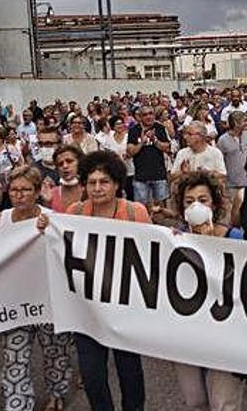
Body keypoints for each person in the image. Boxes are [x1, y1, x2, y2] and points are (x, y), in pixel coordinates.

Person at [66, 151, 149, 411]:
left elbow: (151, 255)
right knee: (92, 377)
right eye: (91, 182)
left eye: (104, 182)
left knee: (130, 371)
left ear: (116, 184)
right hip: (87, 310)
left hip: (126, 308)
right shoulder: (75, 212)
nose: (97, 188)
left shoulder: (136, 213)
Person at [0, 166, 73, 411]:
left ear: (37, 192)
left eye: (25, 190)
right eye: (14, 190)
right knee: (14, 356)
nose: (18, 195)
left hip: (48, 299)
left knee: (55, 352)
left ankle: (56, 393)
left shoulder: (52, 218)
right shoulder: (2, 219)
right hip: (15, 300)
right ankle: (19, 404)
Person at [171, 171, 244, 410]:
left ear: (214, 204)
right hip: (186, 335)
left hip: (226, 337)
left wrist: (212, 244)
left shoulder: (236, 239)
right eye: (189, 201)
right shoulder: (172, 243)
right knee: (195, 401)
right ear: (182, 209)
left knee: (224, 403)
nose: (196, 206)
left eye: (203, 200)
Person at [128, 105, 172, 208]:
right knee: (141, 208)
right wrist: (142, 143)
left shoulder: (160, 128)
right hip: (140, 176)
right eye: (145, 114)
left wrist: (155, 140)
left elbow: (167, 147)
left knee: (162, 208)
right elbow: (130, 151)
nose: (148, 117)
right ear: (140, 117)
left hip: (159, 174)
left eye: (151, 114)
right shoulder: (134, 130)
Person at [217, 111, 247, 191]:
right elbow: (220, 163)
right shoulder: (222, 140)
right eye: (244, 121)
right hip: (232, 185)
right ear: (236, 123)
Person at [97, 116, 136, 200]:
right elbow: (105, 152)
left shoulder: (128, 136)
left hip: (129, 170)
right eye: (117, 124)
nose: (120, 126)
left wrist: (129, 154)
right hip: (114, 171)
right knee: (116, 195)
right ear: (113, 126)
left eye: (121, 123)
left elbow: (134, 150)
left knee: (130, 194)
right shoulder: (108, 137)